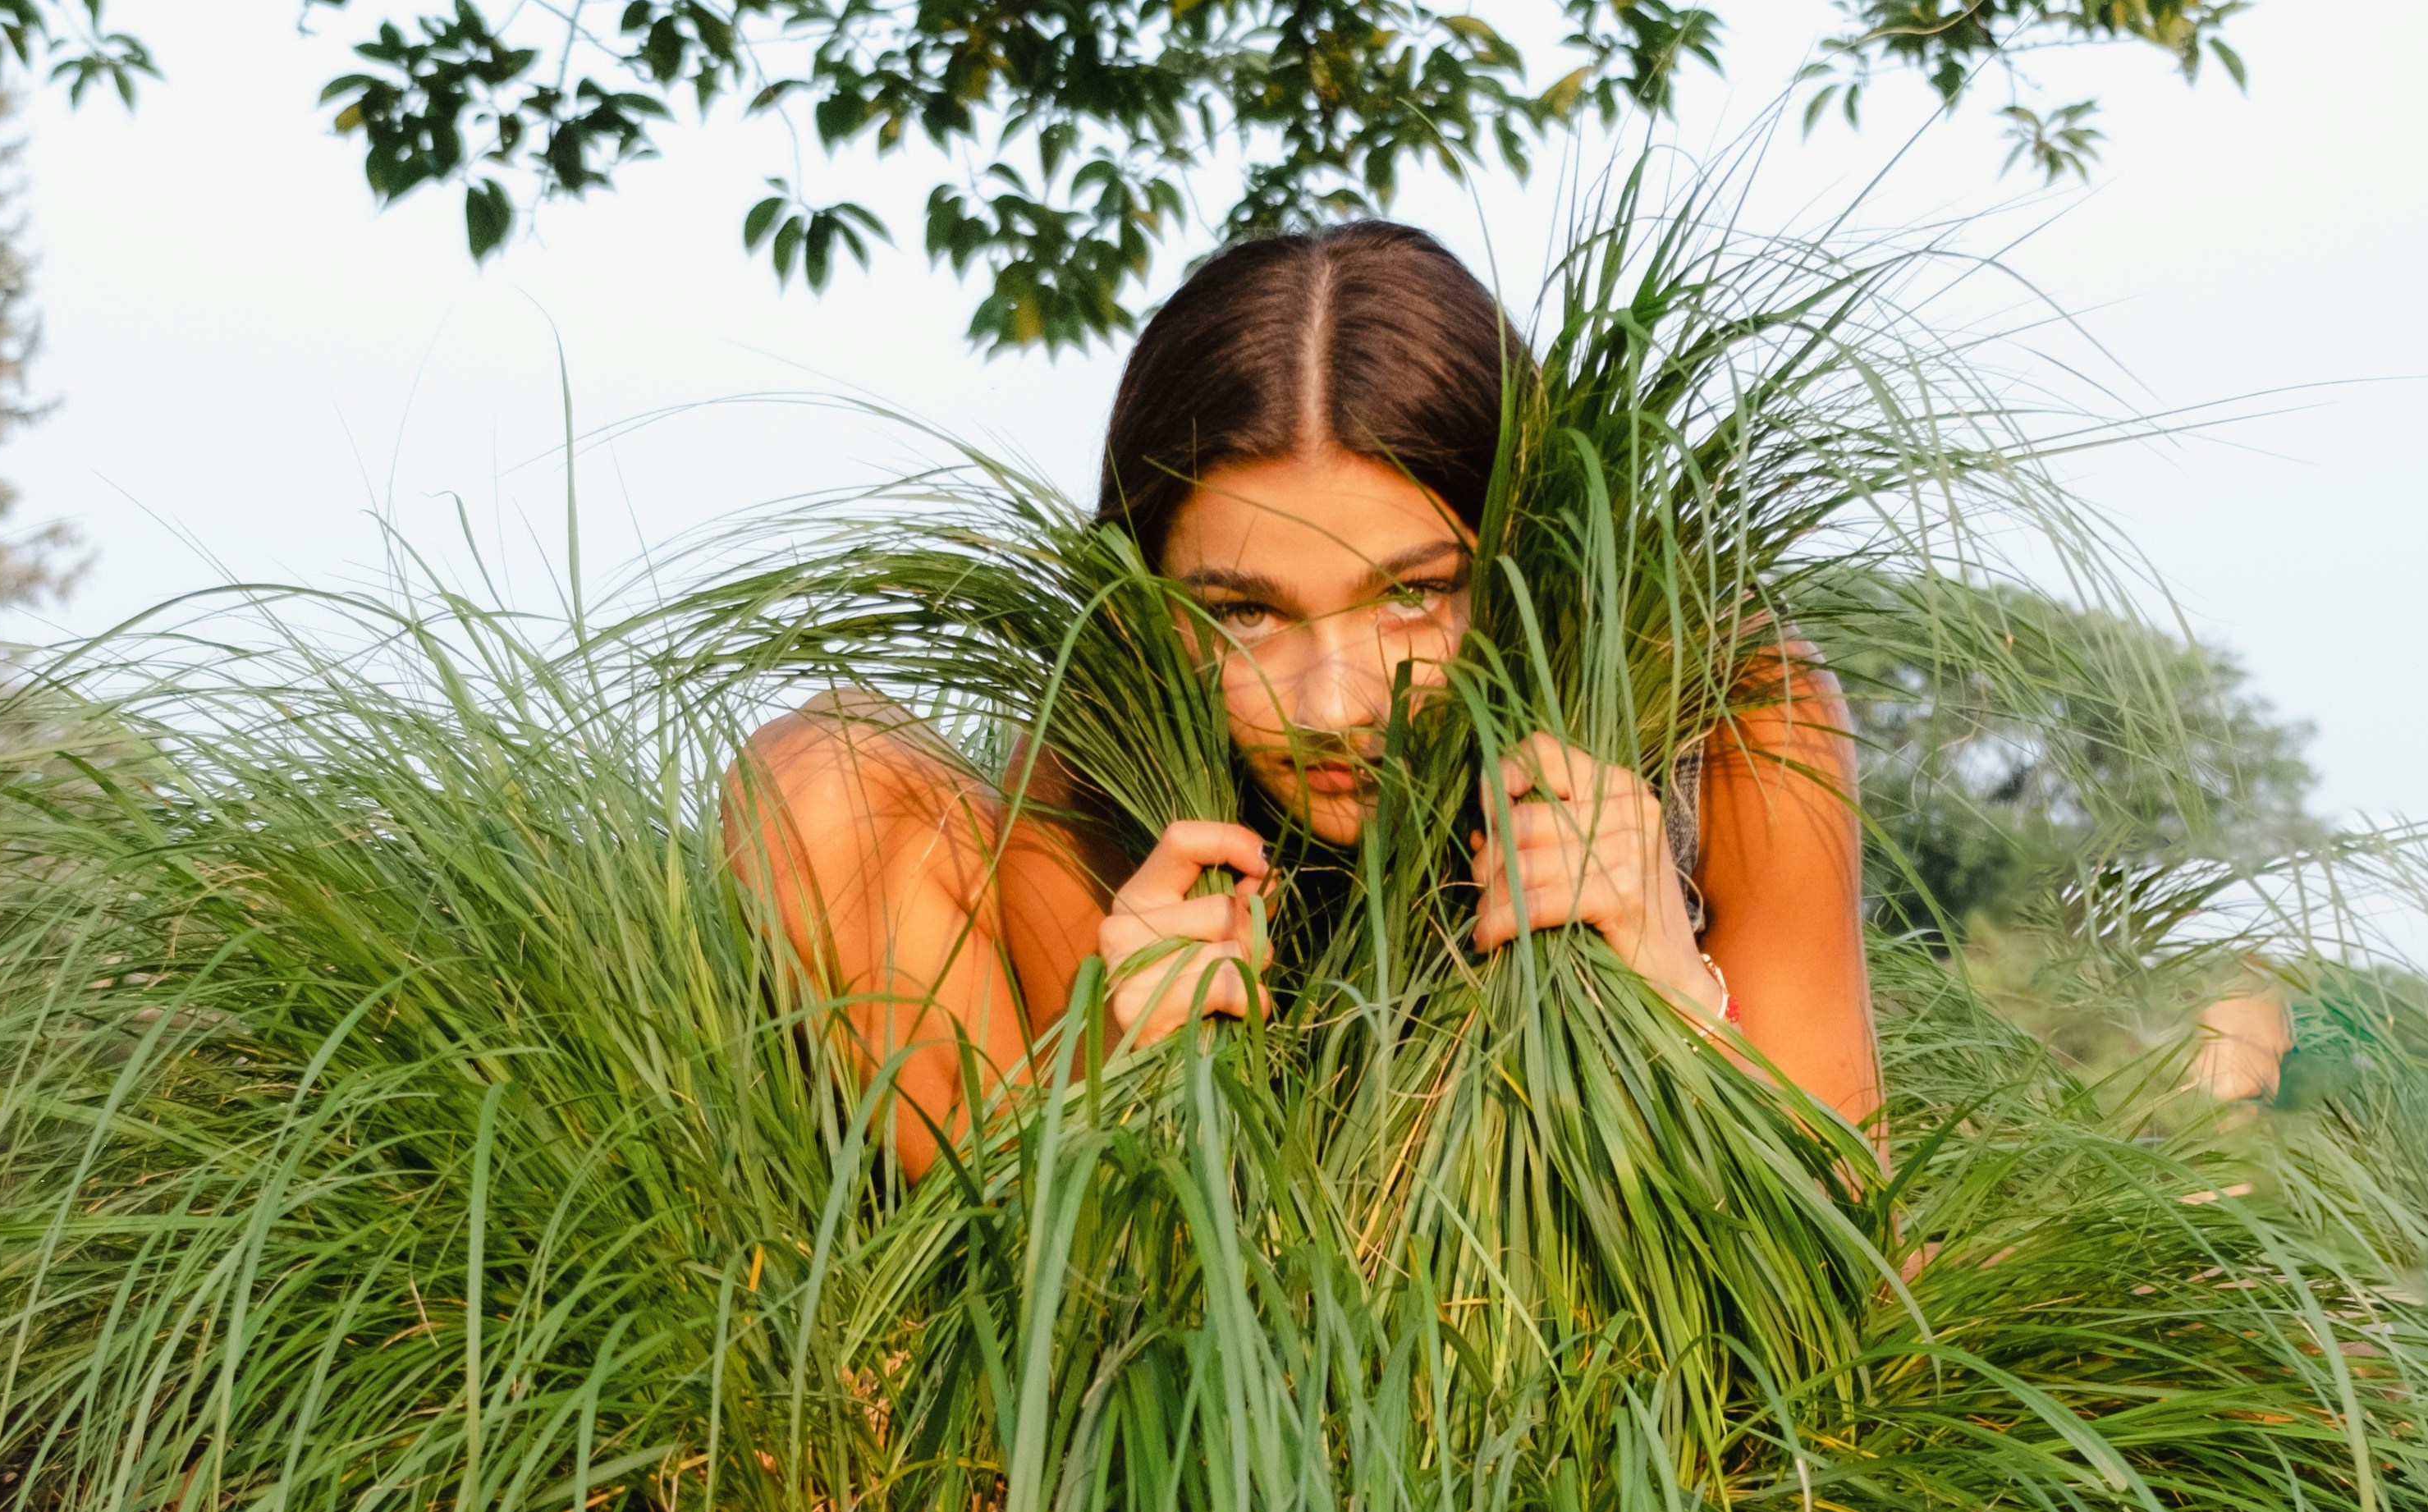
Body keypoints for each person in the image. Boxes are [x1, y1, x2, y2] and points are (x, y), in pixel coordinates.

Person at [735, 221, 1881, 1176]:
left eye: (1414, 597)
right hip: (1218, 1300)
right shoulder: (1095, 755)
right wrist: (1109, 1061)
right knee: (816, 774)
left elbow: (1865, 1235)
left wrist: (1674, 992)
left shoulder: (1737, 710)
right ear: (1150, 605)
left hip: (1608, 1337)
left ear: (1531, 557)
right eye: (1246, 612)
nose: (1332, 704)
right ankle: (963, 1388)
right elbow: (1067, 1132)